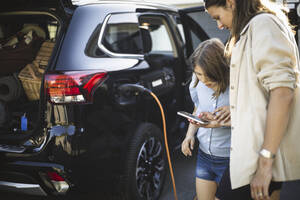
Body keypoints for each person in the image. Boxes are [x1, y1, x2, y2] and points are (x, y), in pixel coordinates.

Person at [203, 0, 300, 200]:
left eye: (217, 17)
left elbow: (282, 93)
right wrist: (221, 121)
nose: (219, 26)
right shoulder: (250, 29)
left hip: (261, 156)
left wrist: (265, 165)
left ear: (231, 3)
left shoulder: (263, 24)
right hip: (253, 151)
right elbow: (259, 104)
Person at [181, 38, 231, 200]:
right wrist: (189, 135)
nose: (203, 80)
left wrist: (224, 119)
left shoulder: (238, 86)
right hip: (204, 157)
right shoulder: (197, 83)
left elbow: (251, 118)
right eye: (198, 74)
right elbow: (198, 108)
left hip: (230, 160)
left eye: (207, 76)